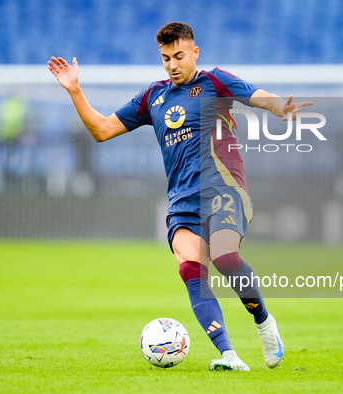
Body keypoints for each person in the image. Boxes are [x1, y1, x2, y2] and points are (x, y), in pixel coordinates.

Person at [48, 21, 312, 371]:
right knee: (191, 270)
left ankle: (264, 324)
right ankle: (229, 355)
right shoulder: (152, 97)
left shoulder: (215, 81)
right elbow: (102, 129)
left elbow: (256, 95)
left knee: (224, 258)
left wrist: (279, 107)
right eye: (165, 58)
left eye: (179, 56)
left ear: (195, 52)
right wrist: (75, 90)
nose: (172, 64)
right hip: (182, 202)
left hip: (225, 189)